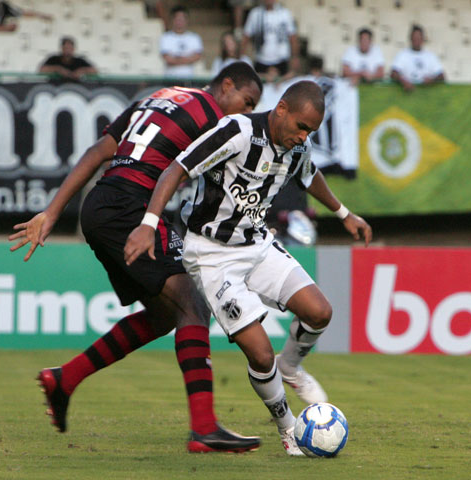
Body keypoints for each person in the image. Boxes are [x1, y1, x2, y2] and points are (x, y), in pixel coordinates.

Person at [9, 62, 263, 453]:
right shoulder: (215, 116)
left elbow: (98, 152)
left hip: (99, 205)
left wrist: (53, 211)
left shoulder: (157, 98)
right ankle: (204, 429)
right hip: (133, 209)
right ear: (226, 85)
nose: (245, 115)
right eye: (246, 103)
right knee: (193, 305)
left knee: (166, 314)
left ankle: (66, 379)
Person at [124, 80, 372, 455]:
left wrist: (343, 213)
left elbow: (309, 174)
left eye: (312, 132)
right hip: (211, 254)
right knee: (258, 353)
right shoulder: (237, 131)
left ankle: (290, 368)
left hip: (256, 245)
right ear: (282, 109)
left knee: (320, 312)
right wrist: (148, 222)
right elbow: (177, 167)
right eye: (301, 127)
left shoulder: (295, 148)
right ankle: (289, 429)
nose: (304, 137)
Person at [241, 0, 299, 80]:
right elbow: (246, 36)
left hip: (281, 59)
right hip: (261, 59)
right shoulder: (255, 14)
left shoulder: (285, 14)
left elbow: (292, 37)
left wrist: (295, 57)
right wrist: (242, 57)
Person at [391, 24, 444, 92]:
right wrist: (403, 81)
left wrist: (432, 80)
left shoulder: (430, 56)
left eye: (418, 38)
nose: (416, 41)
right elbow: (393, 73)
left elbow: (441, 76)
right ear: (410, 38)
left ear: (423, 39)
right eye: (414, 38)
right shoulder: (403, 55)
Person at [159, 6, 203, 78]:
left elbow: (197, 56)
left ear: (187, 20)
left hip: (189, 78)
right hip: (170, 78)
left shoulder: (194, 37)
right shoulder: (165, 37)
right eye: (177, 19)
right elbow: (167, 58)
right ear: (172, 20)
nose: (179, 22)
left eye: (182, 19)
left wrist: (176, 59)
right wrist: (188, 59)